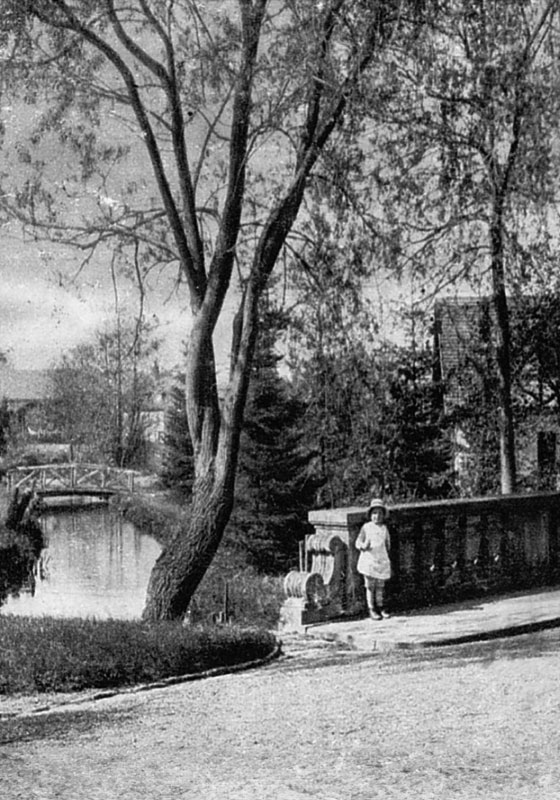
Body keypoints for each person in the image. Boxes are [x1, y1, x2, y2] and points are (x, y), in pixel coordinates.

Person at [355, 498, 392, 621]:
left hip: (381, 560)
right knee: (370, 586)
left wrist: (385, 555)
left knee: (380, 586)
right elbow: (358, 542)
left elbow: (387, 545)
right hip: (369, 560)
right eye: (374, 513)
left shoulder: (384, 529)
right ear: (370, 515)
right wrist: (363, 546)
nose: (377, 516)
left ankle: (381, 606)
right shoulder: (366, 527)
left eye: (380, 513)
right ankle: (371, 608)